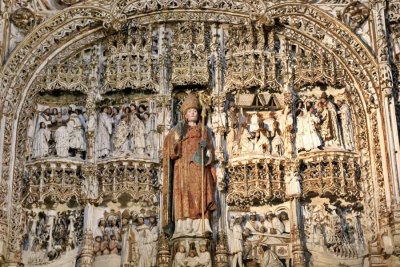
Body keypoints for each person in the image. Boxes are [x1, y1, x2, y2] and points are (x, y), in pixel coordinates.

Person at [162, 94, 216, 237]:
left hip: (199, 167)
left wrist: (206, 149)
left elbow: (211, 153)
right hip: (183, 168)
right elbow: (171, 153)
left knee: (200, 194)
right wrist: (177, 139)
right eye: (190, 111)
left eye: (195, 111)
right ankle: (183, 227)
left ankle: (202, 226)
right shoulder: (177, 130)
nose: (193, 113)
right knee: (183, 195)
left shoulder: (204, 131)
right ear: (185, 114)